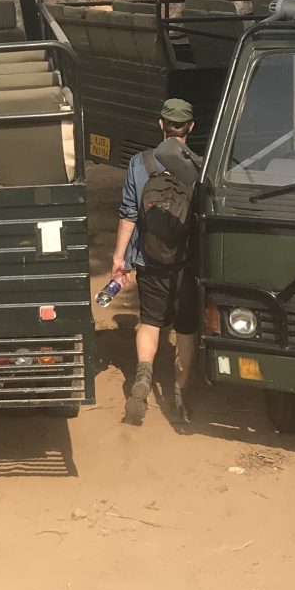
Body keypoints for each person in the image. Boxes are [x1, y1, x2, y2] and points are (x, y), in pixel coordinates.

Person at [108, 98, 202, 426]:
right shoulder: (201, 167)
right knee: (185, 330)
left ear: (160, 124)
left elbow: (129, 215)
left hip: (149, 260)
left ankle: (142, 380)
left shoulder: (139, 163)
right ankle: (179, 393)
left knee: (149, 321)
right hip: (187, 264)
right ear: (190, 127)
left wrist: (120, 258)